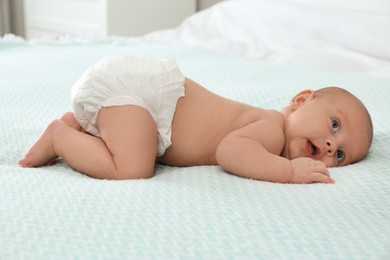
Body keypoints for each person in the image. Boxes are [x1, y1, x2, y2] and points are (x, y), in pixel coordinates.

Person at [18, 55, 373, 184]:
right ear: (299, 101)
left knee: (131, 140)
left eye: (340, 154)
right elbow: (230, 152)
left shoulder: (262, 123)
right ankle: (59, 137)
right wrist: (289, 172)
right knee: (131, 168)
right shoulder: (271, 130)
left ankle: (82, 123)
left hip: (132, 97)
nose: (330, 145)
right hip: (144, 96)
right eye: (335, 125)